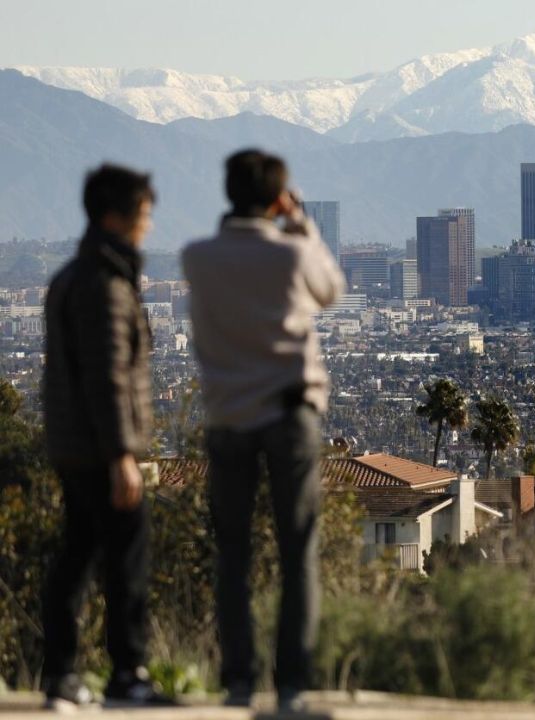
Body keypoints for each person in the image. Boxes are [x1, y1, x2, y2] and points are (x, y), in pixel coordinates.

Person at [182, 149, 344, 712]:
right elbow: (332, 291)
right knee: (298, 549)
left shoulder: (196, 257)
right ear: (279, 198)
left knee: (232, 552)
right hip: (289, 413)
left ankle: (239, 681)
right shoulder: (293, 253)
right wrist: (302, 225)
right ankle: (293, 684)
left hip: (228, 418)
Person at [42, 165, 172, 709]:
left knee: (78, 552)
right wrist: (122, 453)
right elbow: (108, 375)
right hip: (101, 447)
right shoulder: (105, 284)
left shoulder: (75, 275)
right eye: (143, 214)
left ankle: (62, 674)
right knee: (124, 558)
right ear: (117, 216)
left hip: (74, 442)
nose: (148, 226)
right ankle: (126, 671)